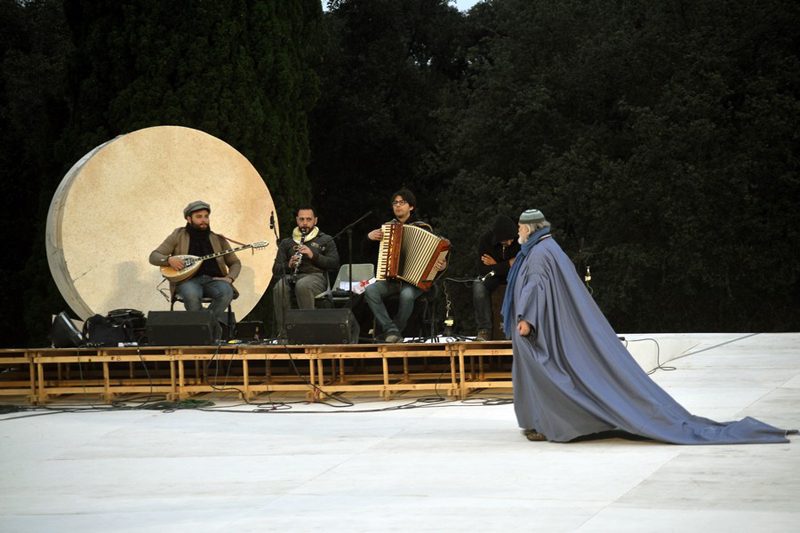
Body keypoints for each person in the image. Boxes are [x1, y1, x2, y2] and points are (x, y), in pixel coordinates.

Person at [503, 208, 797, 444]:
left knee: (546, 374)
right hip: (549, 328)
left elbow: (536, 288)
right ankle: (542, 422)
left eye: (519, 228)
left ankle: (548, 423)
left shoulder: (539, 255)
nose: (517, 233)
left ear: (528, 229)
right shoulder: (549, 248)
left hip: (538, 331)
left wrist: (527, 320)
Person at [363, 188, 446, 343]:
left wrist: (441, 264)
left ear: (411, 207)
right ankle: (391, 330)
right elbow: (368, 254)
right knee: (370, 291)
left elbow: (438, 253)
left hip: (415, 283)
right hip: (391, 281)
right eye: (395, 203)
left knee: (406, 295)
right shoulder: (387, 229)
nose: (398, 206)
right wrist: (368, 238)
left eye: (402, 202)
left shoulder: (423, 228)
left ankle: (395, 332)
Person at [149, 201, 240, 335]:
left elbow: (235, 262)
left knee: (226, 292)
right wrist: (169, 260)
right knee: (192, 295)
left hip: (213, 280)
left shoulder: (217, 239)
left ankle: (204, 328)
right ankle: (213, 329)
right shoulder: (177, 235)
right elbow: (154, 256)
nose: (204, 220)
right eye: (199, 217)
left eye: (206, 216)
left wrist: (230, 278)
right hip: (187, 281)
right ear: (189, 218)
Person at [272, 205, 340, 337]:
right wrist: (289, 265)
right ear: (297, 220)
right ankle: (285, 332)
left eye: (308, 219)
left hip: (316, 276)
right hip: (293, 276)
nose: (305, 223)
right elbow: (276, 269)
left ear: (315, 220)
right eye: (302, 219)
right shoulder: (287, 242)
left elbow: (334, 263)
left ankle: (308, 331)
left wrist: (313, 255)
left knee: (302, 285)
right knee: (279, 287)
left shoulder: (325, 239)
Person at [473, 214, 521, 341]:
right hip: (493, 278)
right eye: (506, 240)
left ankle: (520, 328)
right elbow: (483, 270)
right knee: (478, 286)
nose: (510, 242)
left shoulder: (520, 241)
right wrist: (507, 264)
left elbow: (521, 266)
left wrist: (495, 265)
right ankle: (484, 330)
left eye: (512, 239)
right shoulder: (485, 240)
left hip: (514, 277)